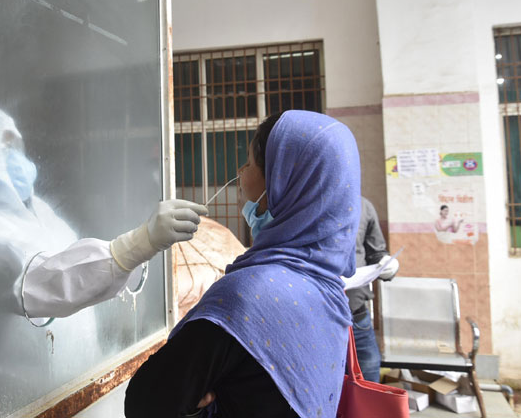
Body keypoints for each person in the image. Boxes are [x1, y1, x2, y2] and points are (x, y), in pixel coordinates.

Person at [125, 110, 361, 418]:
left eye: (249, 163)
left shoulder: (248, 295)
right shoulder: (330, 291)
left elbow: (145, 402)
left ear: (281, 184)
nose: (240, 172)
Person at [0, 101, 208, 416]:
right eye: (3, 148)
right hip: (19, 399)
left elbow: (81, 268)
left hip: (72, 387)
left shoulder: (39, 210)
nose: (18, 159)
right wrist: (136, 245)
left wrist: (136, 254)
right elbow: (38, 284)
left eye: (14, 146)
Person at [345, 197, 399, 384]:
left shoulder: (363, 206)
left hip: (357, 317)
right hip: (318, 319)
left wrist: (386, 263)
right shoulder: (305, 201)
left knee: (369, 382)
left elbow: (376, 252)